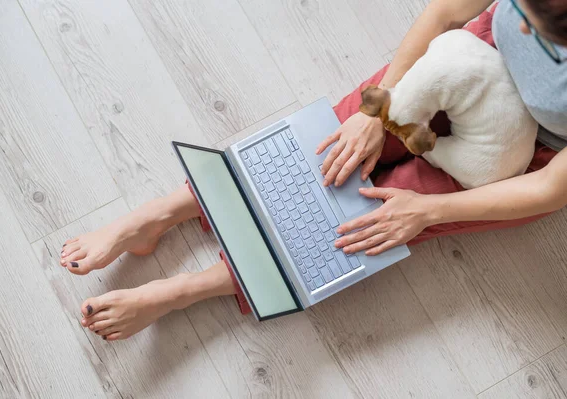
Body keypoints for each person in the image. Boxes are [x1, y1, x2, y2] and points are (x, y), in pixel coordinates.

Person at [60, 0, 567, 341]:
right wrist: (376, 112)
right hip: (463, 59)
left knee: (367, 226)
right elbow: (446, 12)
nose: (519, 25)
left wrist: (428, 211)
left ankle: (184, 290)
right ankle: (158, 215)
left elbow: (549, 187)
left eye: (542, 37)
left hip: (526, 157)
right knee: (329, 150)